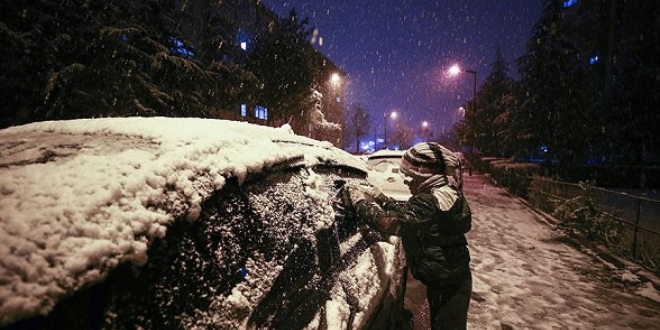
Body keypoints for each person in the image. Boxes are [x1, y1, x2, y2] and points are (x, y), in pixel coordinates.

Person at [346, 142, 472, 330]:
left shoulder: (428, 201)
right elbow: (412, 216)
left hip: (439, 286)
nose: (405, 180)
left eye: (409, 176)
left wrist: (360, 203)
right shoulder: (447, 192)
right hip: (453, 281)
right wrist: (383, 199)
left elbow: (390, 224)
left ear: (423, 174)